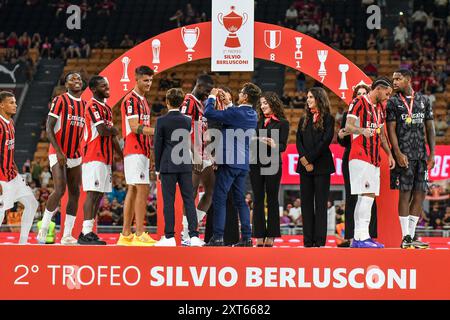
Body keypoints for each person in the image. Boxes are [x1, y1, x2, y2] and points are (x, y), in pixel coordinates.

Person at [203, 83, 260, 246]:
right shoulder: (253, 114)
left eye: (241, 92)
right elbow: (235, 114)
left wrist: (212, 97)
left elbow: (209, 113)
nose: (239, 94)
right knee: (240, 201)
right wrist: (227, 102)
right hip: (243, 164)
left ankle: (218, 236)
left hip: (229, 162)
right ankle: (247, 238)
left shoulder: (236, 112)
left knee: (219, 198)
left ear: (246, 97)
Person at [387, 69, 435, 249]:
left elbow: (430, 128)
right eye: (393, 79)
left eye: (398, 79)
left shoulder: (424, 100)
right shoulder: (393, 102)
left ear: (408, 80)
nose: (394, 82)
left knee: (420, 193)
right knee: (405, 194)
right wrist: (397, 153)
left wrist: (432, 153)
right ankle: (405, 236)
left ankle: (411, 236)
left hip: (421, 155)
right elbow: (390, 129)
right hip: (404, 156)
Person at [345, 77, 396, 248]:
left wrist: (389, 154)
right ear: (379, 89)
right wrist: (361, 130)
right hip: (360, 155)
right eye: (387, 94)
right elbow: (348, 126)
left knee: (368, 197)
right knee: (366, 197)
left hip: (374, 158)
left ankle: (360, 237)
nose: (388, 97)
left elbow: (381, 134)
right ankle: (361, 237)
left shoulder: (380, 108)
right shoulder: (359, 101)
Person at [38, 72, 86, 245]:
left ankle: (67, 234)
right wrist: (58, 151)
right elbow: (49, 127)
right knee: (60, 190)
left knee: (75, 192)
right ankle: (44, 226)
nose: (77, 81)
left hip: (76, 155)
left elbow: (82, 132)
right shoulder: (60, 100)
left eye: (79, 79)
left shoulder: (85, 105)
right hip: (58, 152)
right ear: (66, 85)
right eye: (72, 79)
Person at [153, 88, 203, 247]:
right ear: (182, 103)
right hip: (185, 163)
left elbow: (158, 146)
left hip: (168, 164)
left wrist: (157, 168)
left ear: (167, 102)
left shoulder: (161, 121)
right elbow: (191, 142)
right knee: (189, 200)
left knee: (169, 201)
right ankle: (194, 236)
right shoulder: (188, 121)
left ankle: (169, 237)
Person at [79, 76, 122, 245]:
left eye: (108, 85)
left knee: (98, 195)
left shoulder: (108, 108)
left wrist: (122, 154)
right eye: (104, 86)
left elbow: (111, 135)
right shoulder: (92, 105)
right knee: (92, 193)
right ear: (94, 89)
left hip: (106, 158)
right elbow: (103, 131)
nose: (107, 88)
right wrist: (114, 130)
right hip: (93, 155)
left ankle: (88, 231)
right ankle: (85, 232)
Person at [116, 66, 156, 246]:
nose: (149, 83)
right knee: (142, 188)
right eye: (146, 80)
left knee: (133, 189)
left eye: (151, 80)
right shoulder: (131, 100)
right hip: (134, 148)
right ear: (137, 79)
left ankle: (125, 234)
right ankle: (139, 233)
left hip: (142, 150)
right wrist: (158, 131)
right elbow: (133, 127)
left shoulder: (144, 101)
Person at [337, 83, 378, 243]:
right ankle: (351, 236)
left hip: (370, 156)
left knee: (369, 197)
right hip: (352, 157)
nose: (361, 96)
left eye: (364, 93)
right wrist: (341, 136)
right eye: (358, 94)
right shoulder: (349, 115)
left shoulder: (374, 112)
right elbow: (343, 139)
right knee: (352, 197)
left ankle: (368, 234)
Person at [296, 87, 335, 247]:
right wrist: (304, 161)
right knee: (305, 204)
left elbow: (325, 141)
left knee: (320, 204)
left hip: (322, 167)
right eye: (308, 97)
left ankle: (319, 241)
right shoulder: (303, 118)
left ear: (319, 98)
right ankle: (308, 241)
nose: (308, 99)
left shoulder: (329, 119)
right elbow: (298, 140)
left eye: (311, 97)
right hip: (305, 167)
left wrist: (309, 159)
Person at [250, 92, 289, 247]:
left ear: (273, 103)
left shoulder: (283, 123)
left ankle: (271, 235)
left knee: (272, 200)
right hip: (255, 164)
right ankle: (258, 235)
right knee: (257, 199)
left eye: (266, 102)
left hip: (273, 164)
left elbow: (283, 146)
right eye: (261, 103)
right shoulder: (257, 122)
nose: (263, 105)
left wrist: (274, 145)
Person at [179, 75, 214, 245]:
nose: (207, 95)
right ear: (198, 86)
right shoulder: (189, 101)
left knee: (211, 190)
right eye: (206, 91)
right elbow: (183, 130)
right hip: (192, 153)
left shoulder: (201, 104)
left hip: (203, 152)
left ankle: (193, 226)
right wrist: (194, 154)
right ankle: (186, 234)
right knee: (191, 192)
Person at [0, 91, 38, 244]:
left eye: (15, 102)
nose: (15, 105)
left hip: (12, 175)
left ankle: (23, 242)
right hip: (2, 178)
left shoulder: (11, 124)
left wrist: (17, 173)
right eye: (11, 102)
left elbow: (9, 151)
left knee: (32, 204)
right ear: (1, 105)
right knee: (2, 211)